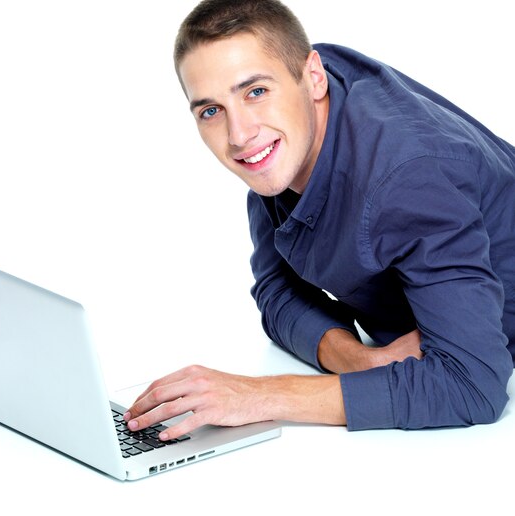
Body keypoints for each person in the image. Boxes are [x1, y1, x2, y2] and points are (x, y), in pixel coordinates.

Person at [124, 0, 515, 436]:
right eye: (211, 110)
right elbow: (277, 290)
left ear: (313, 77)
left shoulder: (404, 178)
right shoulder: (282, 140)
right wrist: (356, 360)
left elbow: (471, 386)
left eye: (255, 92)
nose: (238, 135)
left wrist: (259, 395)